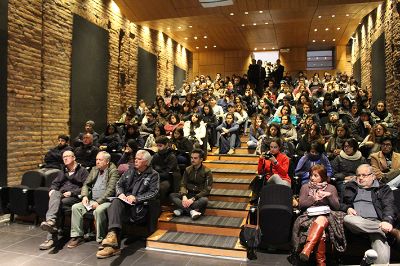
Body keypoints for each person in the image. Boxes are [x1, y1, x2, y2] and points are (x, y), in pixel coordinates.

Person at [96, 150, 159, 258]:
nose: (136, 160)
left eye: (139, 159)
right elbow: (119, 184)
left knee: (115, 209)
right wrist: (120, 194)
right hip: (125, 202)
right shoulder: (130, 171)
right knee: (116, 202)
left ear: (147, 162)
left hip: (139, 206)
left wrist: (136, 198)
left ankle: (113, 246)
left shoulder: (153, 174)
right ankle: (112, 238)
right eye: (135, 158)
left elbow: (154, 193)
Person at [342, 164, 400, 264]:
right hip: (357, 222)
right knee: (348, 219)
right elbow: (341, 204)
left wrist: (387, 221)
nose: (360, 178)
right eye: (358, 175)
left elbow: (389, 206)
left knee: (381, 247)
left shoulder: (383, 189)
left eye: (364, 175)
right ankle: (389, 231)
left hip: (375, 221)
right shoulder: (351, 187)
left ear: (373, 176)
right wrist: (348, 208)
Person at [292, 165, 345, 265]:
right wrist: (314, 198)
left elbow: (336, 207)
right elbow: (301, 205)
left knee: (321, 218)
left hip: (328, 214)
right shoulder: (305, 187)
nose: (312, 178)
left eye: (316, 176)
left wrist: (329, 196)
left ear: (323, 176)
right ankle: (321, 263)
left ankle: (307, 249)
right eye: (311, 175)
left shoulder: (331, 188)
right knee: (321, 233)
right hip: (309, 215)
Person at [67, 151, 119, 248]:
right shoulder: (94, 169)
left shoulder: (113, 171)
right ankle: (77, 236)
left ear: (107, 161)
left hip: (107, 201)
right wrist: (85, 196)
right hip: (92, 200)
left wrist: (98, 202)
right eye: (96, 159)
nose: (97, 162)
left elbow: (111, 190)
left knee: (98, 211)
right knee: (76, 207)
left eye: (100, 160)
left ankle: (101, 238)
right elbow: (86, 184)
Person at [39, 150, 89, 250]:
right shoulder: (63, 170)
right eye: (63, 157)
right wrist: (52, 189)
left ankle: (51, 237)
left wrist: (72, 193)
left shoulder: (83, 171)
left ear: (74, 158)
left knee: (57, 204)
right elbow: (55, 183)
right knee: (55, 195)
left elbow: (86, 187)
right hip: (61, 195)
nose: (65, 158)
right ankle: (51, 221)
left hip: (74, 197)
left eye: (67, 156)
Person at [170, 149, 213, 220]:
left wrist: (193, 199)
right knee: (172, 195)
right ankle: (192, 211)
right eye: (191, 158)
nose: (192, 160)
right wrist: (184, 196)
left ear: (201, 159)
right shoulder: (187, 169)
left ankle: (182, 209)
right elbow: (183, 184)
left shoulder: (207, 171)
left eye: (195, 158)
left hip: (199, 196)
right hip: (188, 194)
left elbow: (207, 190)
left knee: (204, 200)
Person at [151, 136, 180, 202]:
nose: (159, 148)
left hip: (169, 179)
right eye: (157, 146)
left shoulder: (172, 157)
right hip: (157, 176)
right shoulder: (156, 155)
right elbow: (151, 167)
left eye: (160, 146)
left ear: (166, 144)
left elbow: (167, 173)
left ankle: (159, 202)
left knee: (162, 187)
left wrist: (156, 174)